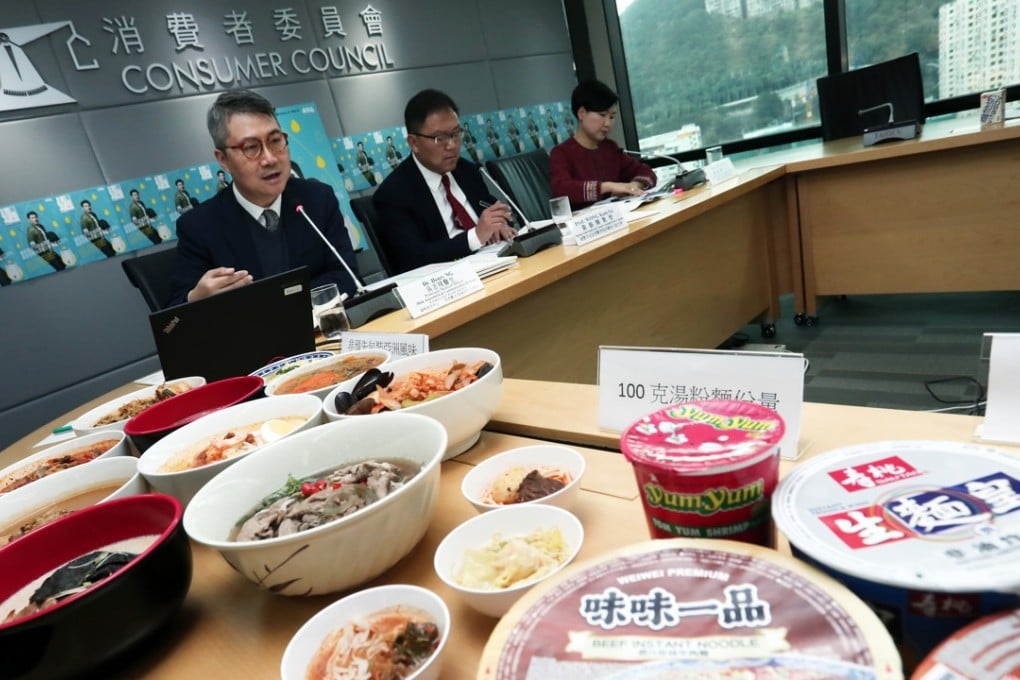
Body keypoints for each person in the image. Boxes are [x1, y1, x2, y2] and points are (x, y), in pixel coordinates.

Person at [168, 89, 360, 306]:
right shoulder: (199, 227)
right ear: (223, 159)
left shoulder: (317, 198)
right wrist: (196, 300)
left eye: (276, 141)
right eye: (251, 148)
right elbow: (172, 323)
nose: (270, 159)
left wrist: (289, 308)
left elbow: (346, 275)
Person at [372, 88, 516, 275]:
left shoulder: (467, 170)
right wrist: (475, 237)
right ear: (413, 143)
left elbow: (490, 212)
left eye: (456, 134)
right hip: (449, 284)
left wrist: (501, 224)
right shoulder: (393, 194)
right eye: (440, 138)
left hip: (496, 266)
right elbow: (412, 260)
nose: (452, 145)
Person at [550, 79, 657, 209]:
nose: (608, 123)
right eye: (602, 115)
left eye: (612, 117)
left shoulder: (610, 148)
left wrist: (634, 186)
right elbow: (561, 190)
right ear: (582, 113)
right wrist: (607, 187)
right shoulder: (562, 153)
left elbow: (646, 172)